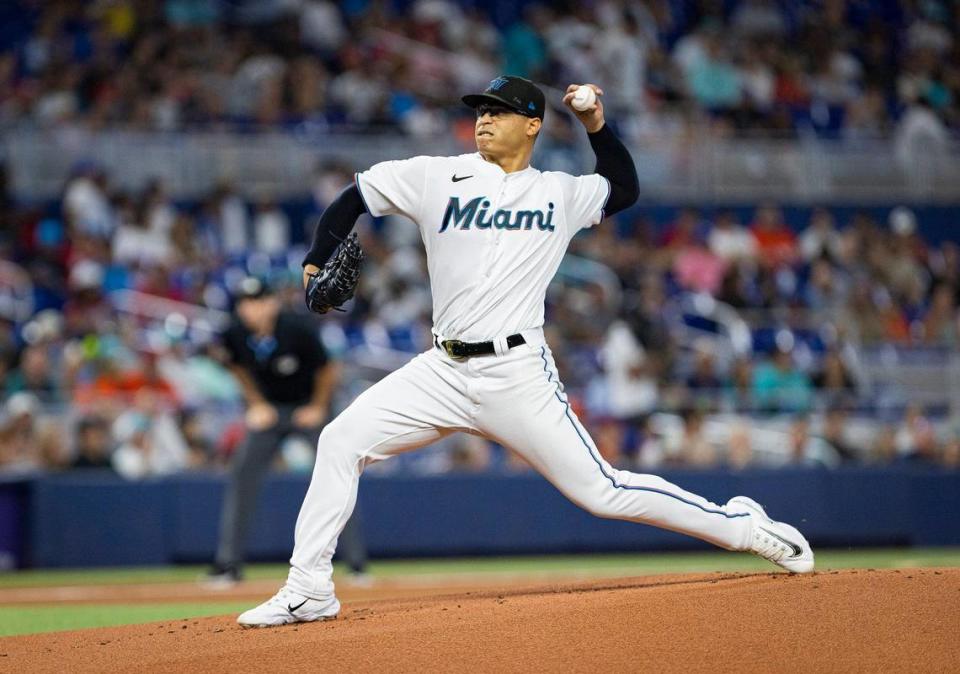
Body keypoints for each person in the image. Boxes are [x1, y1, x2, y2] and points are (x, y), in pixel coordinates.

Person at [237, 76, 814, 628]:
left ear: (533, 124)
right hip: (442, 370)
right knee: (340, 440)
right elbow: (353, 196)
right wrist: (316, 260)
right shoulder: (437, 176)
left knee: (603, 492)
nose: (482, 119)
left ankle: (742, 527)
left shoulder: (559, 192)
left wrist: (595, 124)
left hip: (517, 373)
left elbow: (623, 187)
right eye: (479, 111)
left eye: (497, 110)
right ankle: (309, 589)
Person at [205, 276, 367, 586]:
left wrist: (318, 407)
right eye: (245, 303)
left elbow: (327, 369)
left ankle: (357, 564)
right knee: (242, 474)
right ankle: (228, 565)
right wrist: (255, 403)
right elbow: (236, 366)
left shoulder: (297, 327)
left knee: (337, 473)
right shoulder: (234, 333)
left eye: (258, 301)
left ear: (273, 302)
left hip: (309, 405)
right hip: (272, 410)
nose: (251, 309)